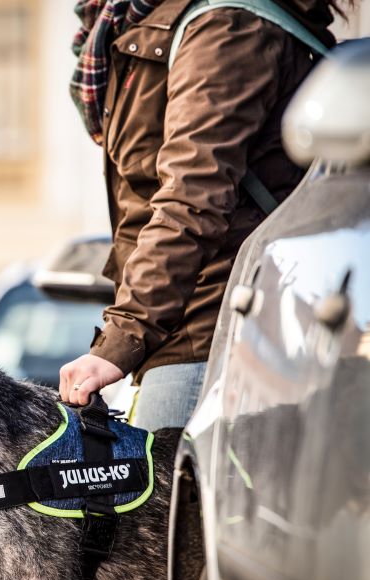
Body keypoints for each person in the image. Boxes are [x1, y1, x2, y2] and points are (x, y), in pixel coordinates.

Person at [57, 0, 342, 433]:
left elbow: (191, 200)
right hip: (183, 331)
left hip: (214, 331)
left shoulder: (227, 25)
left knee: (165, 496)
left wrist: (120, 342)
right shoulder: (136, 22)